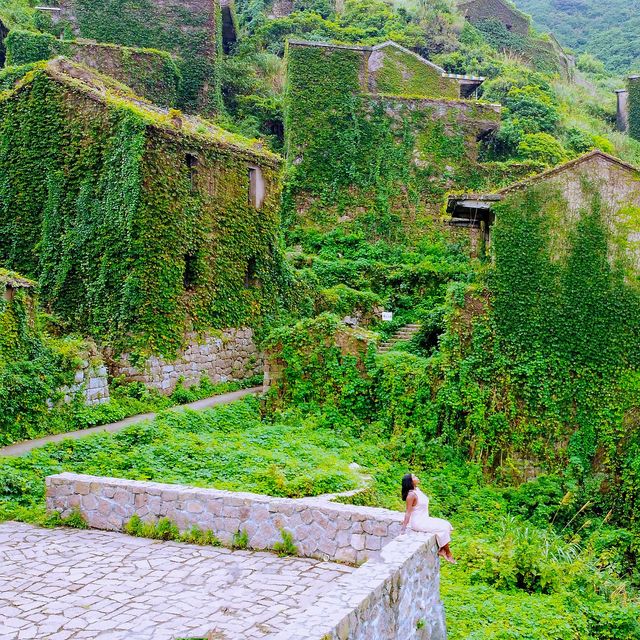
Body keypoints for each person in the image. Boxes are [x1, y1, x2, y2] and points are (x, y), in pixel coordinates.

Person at [400, 473, 456, 564]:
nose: (417, 477)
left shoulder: (417, 490)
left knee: (447, 524)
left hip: (425, 519)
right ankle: (448, 553)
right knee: (443, 528)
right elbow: (408, 512)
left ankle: (442, 549)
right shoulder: (411, 495)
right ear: (410, 481)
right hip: (418, 523)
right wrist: (403, 528)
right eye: (414, 477)